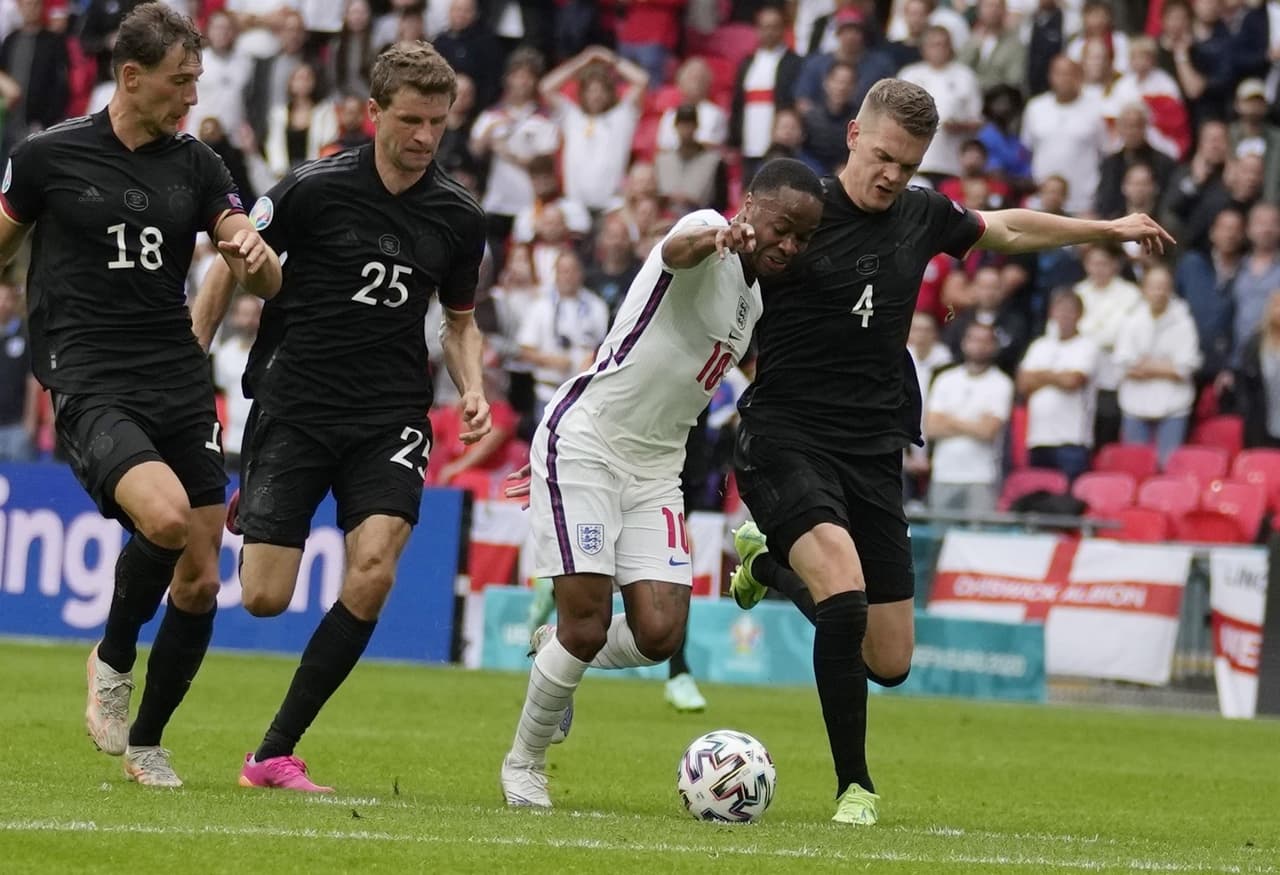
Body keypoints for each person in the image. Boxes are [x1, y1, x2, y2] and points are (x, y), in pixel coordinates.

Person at [724, 78, 1172, 826]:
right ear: (855, 139)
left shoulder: (922, 213)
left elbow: (1010, 231)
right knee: (840, 587)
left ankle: (763, 563)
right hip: (786, 436)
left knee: (889, 660)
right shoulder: (801, 217)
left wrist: (1107, 228)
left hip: (872, 450)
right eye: (886, 156)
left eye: (911, 161)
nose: (893, 174)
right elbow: (713, 267)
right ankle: (854, 788)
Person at [193, 41, 489, 793]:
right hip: (296, 404)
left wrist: (474, 386)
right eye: (411, 120)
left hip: (390, 413)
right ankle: (252, 501)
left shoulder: (458, 216)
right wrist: (191, 354)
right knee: (263, 596)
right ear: (374, 114)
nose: (425, 137)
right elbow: (230, 256)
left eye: (438, 122)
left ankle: (273, 752)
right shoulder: (312, 188)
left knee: (373, 570)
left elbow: (459, 321)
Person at [0, 2, 281, 787]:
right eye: (180, 80)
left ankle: (148, 742)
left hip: (177, 378)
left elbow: (255, 265)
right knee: (159, 517)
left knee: (199, 577)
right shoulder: (47, 157)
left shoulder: (198, 166)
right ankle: (112, 657)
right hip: (91, 377)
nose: (193, 96)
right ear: (131, 77)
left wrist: (253, 256)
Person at [498, 158, 825, 809]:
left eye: (803, 237)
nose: (789, 244)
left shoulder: (755, 300)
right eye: (781, 226)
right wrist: (718, 237)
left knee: (660, 633)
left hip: (656, 468)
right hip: (587, 442)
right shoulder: (706, 232)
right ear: (750, 206)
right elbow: (677, 249)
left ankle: (552, 652)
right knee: (587, 625)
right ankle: (524, 764)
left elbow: (755, 376)